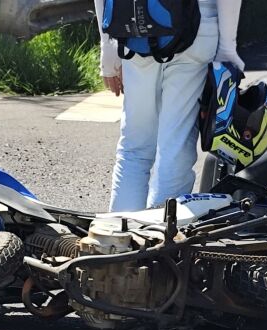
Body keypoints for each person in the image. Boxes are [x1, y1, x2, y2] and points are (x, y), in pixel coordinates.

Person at [94, 0, 244, 212]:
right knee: (175, 145)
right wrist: (228, 48)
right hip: (197, 28)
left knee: (135, 147)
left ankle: (119, 234)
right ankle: (163, 234)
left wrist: (106, 45)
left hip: (137, 27)